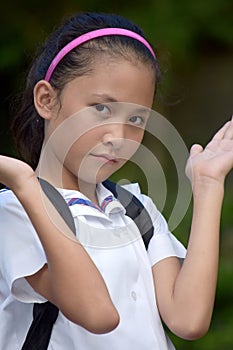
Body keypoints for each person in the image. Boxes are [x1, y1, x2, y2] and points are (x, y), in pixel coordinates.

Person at [0, 12, 233, 350]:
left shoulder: (135, 209)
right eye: (102, 109)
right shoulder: (14, 210)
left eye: (137, 119)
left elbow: (188, 320)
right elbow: (97, 314)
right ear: (46, 100)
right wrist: (25, 184)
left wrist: (209, 184)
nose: (118, 137)